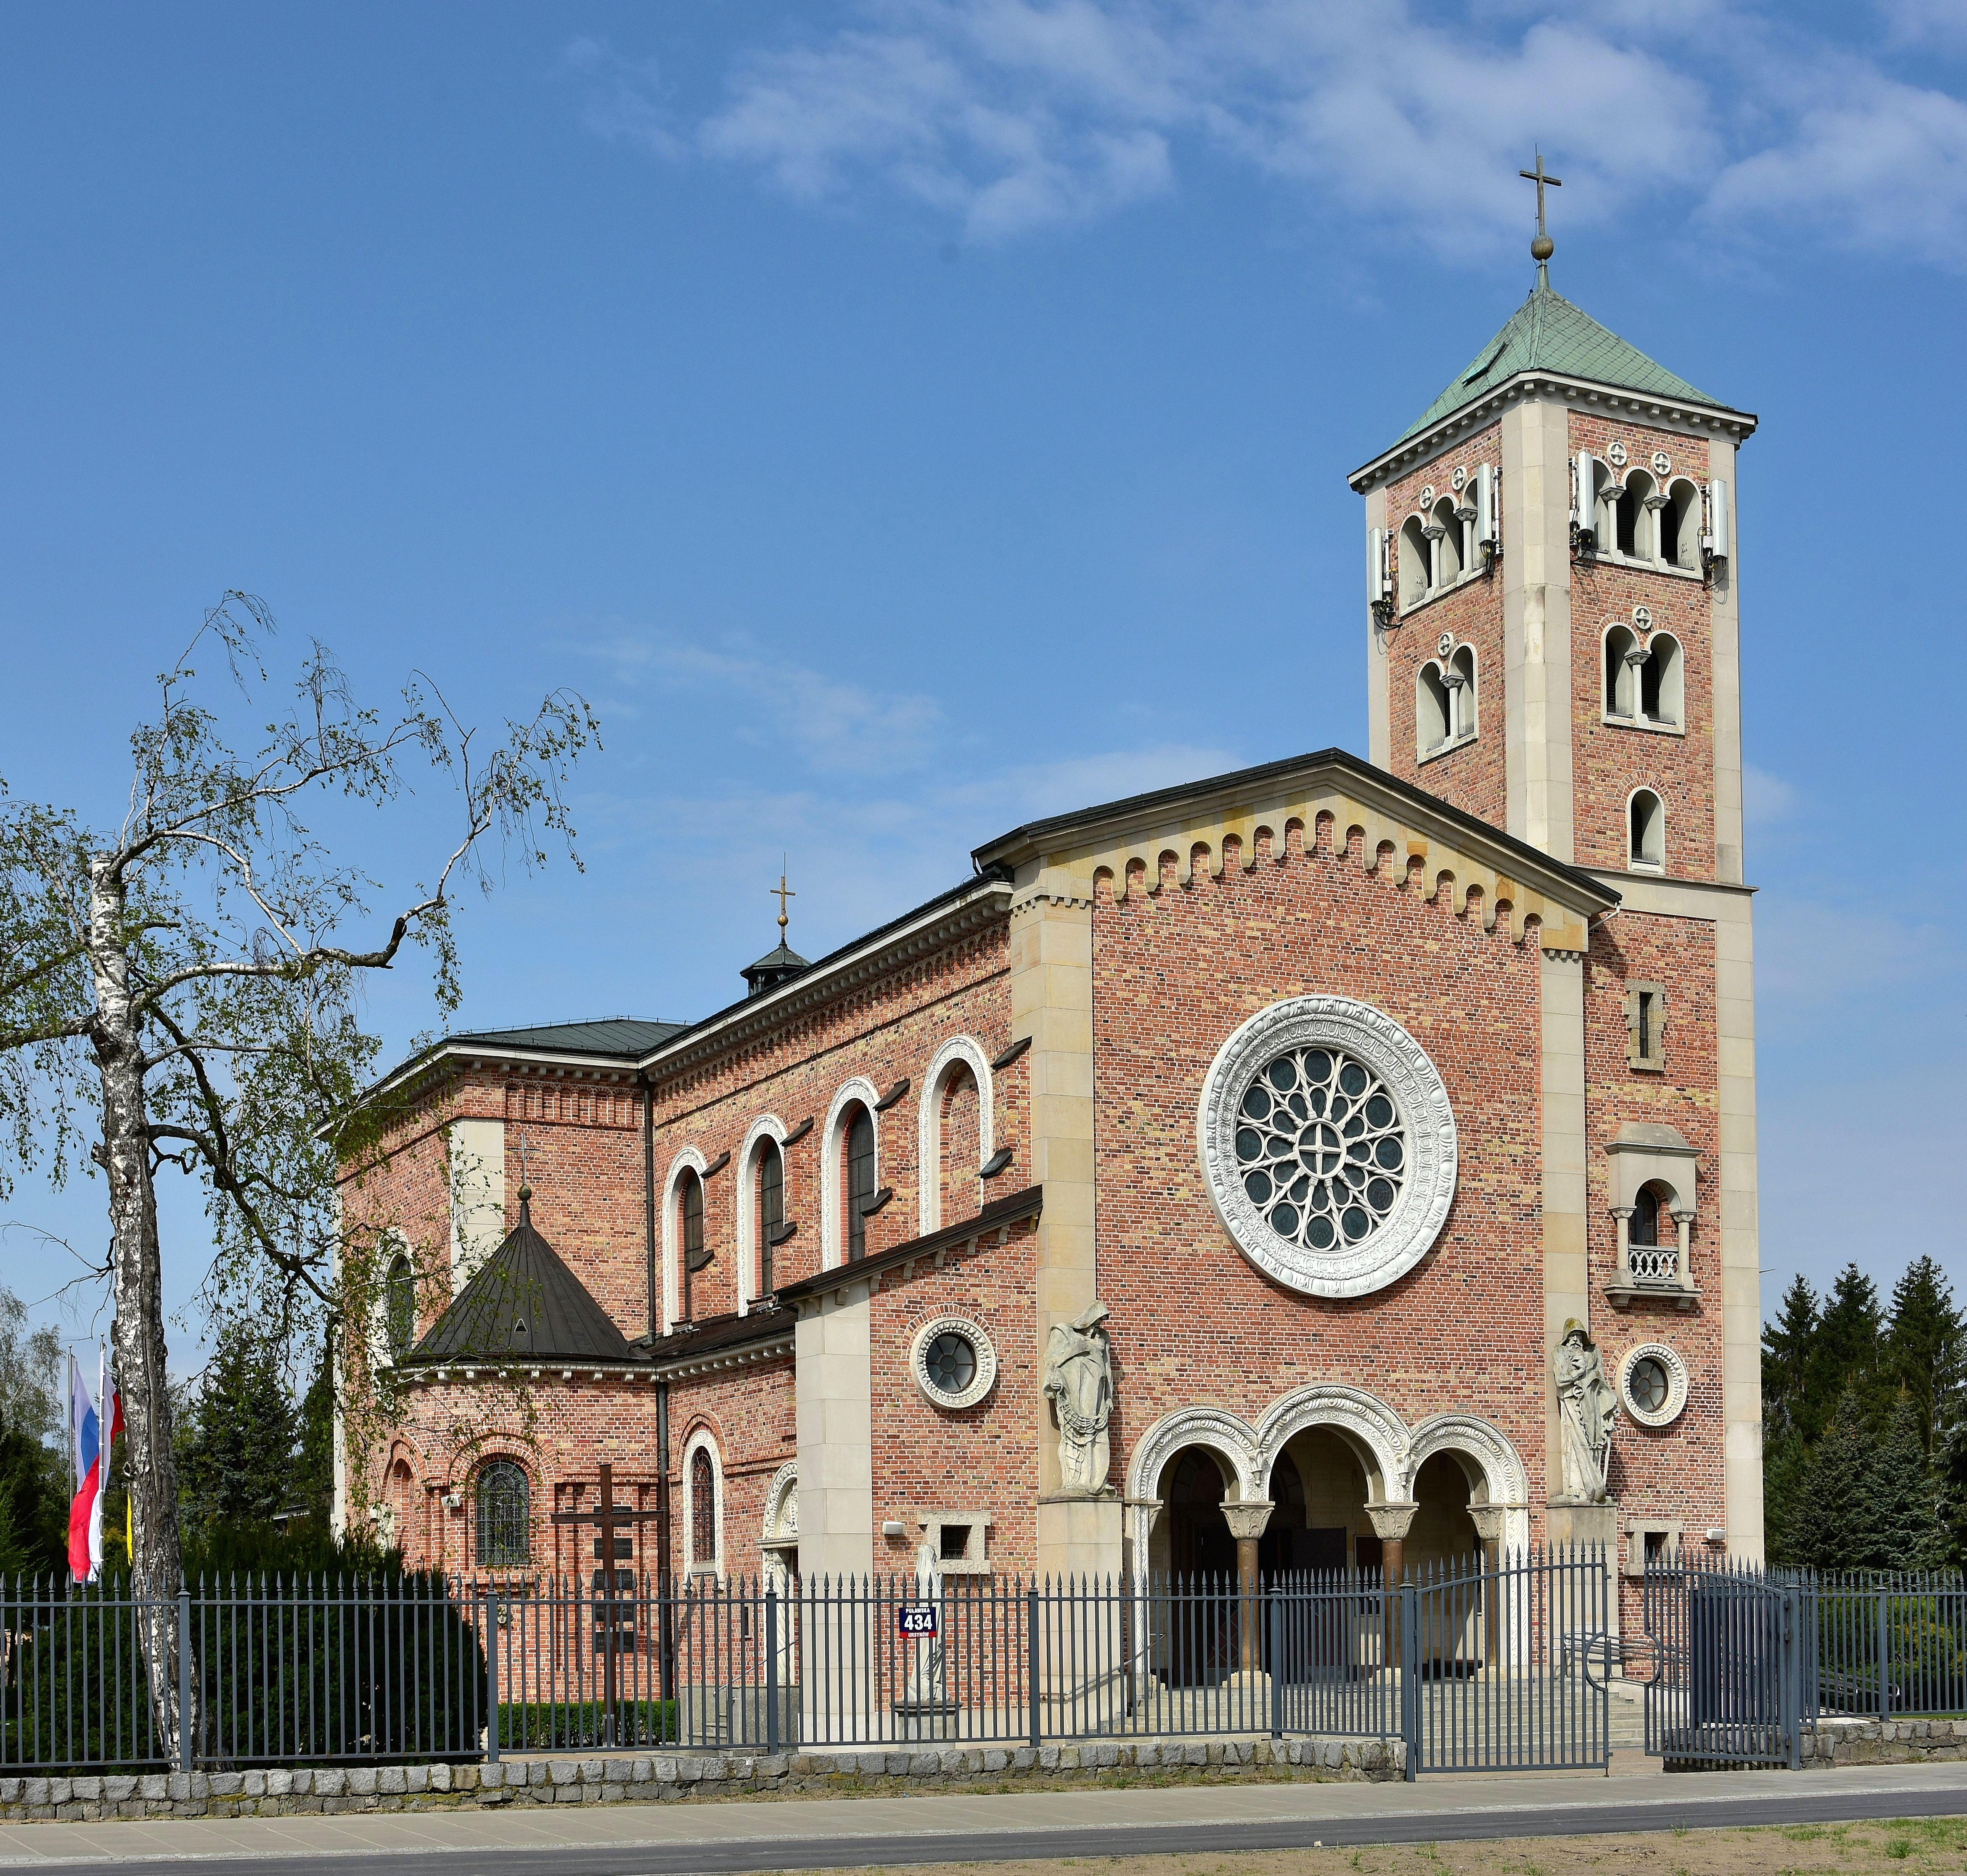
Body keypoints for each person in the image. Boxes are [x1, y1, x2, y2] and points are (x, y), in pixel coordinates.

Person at [1043, 1300, 1114, 1495]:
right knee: (1074, 1436)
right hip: (1074, 1392)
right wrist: (1054, 1380)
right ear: (1087, 1321)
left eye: (1099, 1324)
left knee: (1097, 1437)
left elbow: (1107, 1370)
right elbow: (1052, 1361)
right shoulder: (1065, 1333)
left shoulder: (1103, 1339)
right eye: (1095, 1323)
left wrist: (1109, 1398)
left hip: (1096, 1392)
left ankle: (1096, 1481)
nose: (1097, 1329)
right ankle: (1075, 1480)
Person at [1552, 1318, 1617, 1502]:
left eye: (1579, 1336)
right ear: (1567, 1338)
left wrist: (1608, 1407)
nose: (1576, 1340)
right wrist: (1578, 1373)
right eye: (1572, 1336)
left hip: (1591, 1404)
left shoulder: (1592, 1355)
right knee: (1575, 1445)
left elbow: (1601, 1381)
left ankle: (1593, 1483)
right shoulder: (1559, 1352)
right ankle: (1578, 1485)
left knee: (1593, 1443)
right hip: (1572, 1403)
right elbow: (1560, 1380)